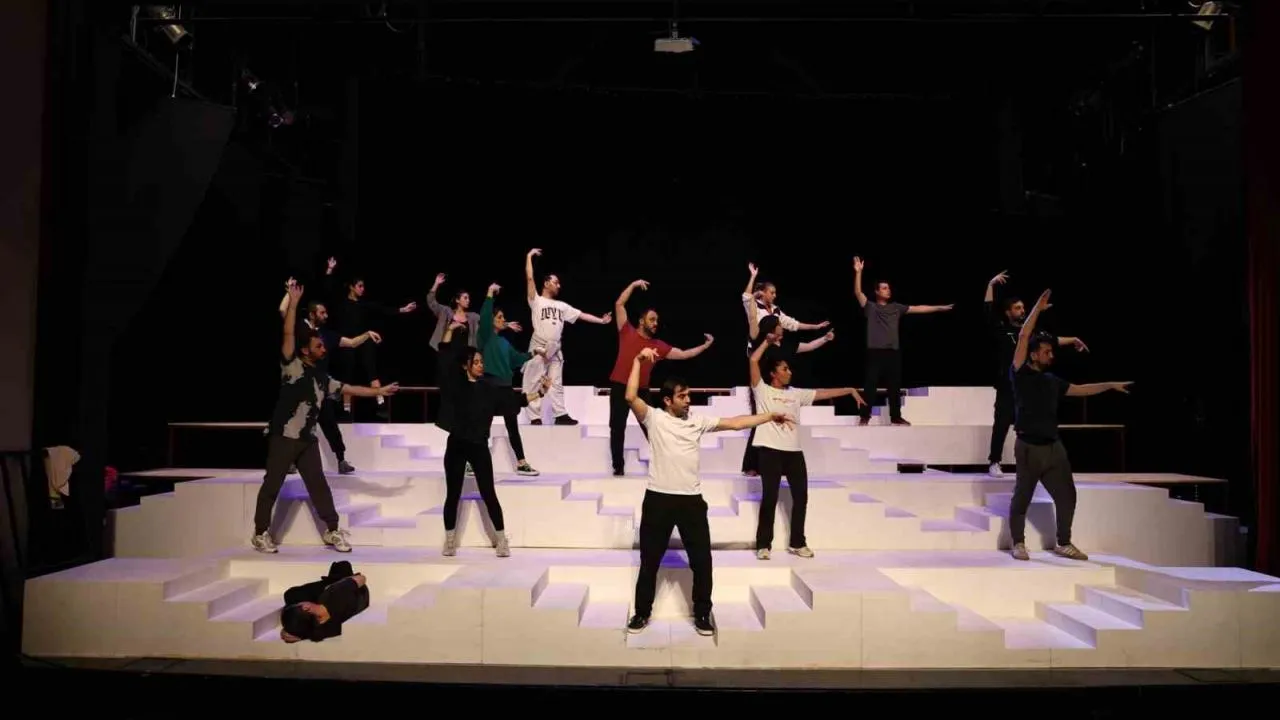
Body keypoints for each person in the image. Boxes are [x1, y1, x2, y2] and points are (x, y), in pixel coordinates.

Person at [624, 347, 794, 638]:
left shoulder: (697, 421)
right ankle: (642, 612)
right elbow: (630, 397)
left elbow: (736, 423)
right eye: (682, 396)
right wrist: (638, 360)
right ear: (667, 400)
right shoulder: (654, 418)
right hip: (658, 499)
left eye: (688, 395)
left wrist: (769, 416)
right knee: (649, 562)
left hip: (691, 502)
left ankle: (702, 613)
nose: (688, 400)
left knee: (702, 561)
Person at [253, 284, 399, 554]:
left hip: (306, 440)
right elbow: (288, 332)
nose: (323, 348)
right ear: (305, 350)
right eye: (318, 345)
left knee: (318, 485)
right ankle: (260, 533)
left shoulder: (322, 377)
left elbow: (349, 388)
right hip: (284, 436)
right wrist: (293, 303)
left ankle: (332, 530)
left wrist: (378, 391)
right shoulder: (291, 366)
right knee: (272, 485)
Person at [1008, 289, 1130, 562]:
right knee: (1022, 497)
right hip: (1029, 447)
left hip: (1054, 448)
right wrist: (1036, 308)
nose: (1051, 355)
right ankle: (1018, 543)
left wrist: (1109, 385)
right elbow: (1025, 336)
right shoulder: (1021, 374)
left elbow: (1081, 389)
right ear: (1033, 355)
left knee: (1067, 495)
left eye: (1052, 351)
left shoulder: (1053, 381)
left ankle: (1064, 542)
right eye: (1046, 352)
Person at [437, 318, 553, 557]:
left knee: (489, 493)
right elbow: (445, 354)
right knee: (453, 494)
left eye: (482, 362)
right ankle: (449, 541)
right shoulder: (456, 385)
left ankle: (501, 540)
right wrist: (449, 329)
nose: (481, 365)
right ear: (466, 366)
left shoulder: (488, 388)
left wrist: (540, 392)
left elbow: (515, 401)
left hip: (479, 447)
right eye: (476, 362)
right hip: (457, 445)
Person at [747, 339, 865, 560]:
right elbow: (753, 360)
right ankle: (764, 545)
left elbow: (823, 393)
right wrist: (766, 342)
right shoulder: (762, 391)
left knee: (801, 497)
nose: (789, 372)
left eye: (789, 369)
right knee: (770, 498)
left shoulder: (796, 394)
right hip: (769, 451)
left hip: (793, 452)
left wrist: (849, 390)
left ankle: (797, 543)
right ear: (773, 373)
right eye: (785, 369)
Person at [984, 270, 1089, 477]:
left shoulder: (1033, 332)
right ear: (1008, 312)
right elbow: (987, 310)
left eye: (1024, 307)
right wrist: (990, 285)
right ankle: (994, 461)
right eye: (1017, 308)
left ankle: (1035, 463)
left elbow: (1053, 340)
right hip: (1007, 384)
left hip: (1029, 385)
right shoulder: (1002, 329)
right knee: (1002, 423)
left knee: (1030, 424)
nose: (1022, 310)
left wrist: (1074, 340)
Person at [277, 277, 384, 475]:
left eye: (326, 312)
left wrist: (367, 334)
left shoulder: (327, 334)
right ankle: (289, 461)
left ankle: (341, 460)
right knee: (295, 425)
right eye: (322, 313)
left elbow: (351, 343)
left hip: (320, 386)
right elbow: (283, 311)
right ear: (312, 314)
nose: (325, 315)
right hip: (300, 385)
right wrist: (289, 293)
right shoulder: (300, 328)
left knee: (329, 424)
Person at [609, 279, 715, 476]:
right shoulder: (626, 331)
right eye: (652, 319)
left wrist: (705, 346)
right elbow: (619, 304)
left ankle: (665, 461)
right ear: (641, 321)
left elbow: (683, 354)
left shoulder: (658, 345)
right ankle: (618, 467)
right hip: (619, 385)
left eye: (656, 320)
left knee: (653, 427)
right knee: (617, 427)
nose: (655, 323)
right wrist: (633, 285)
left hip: (641, 390)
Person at [741, 282, 836, 476]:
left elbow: (805, 343)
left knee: (781, 424)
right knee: (759, 421)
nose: (781, 327)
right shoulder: (761, 341)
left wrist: (823, 337)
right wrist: (753, 281)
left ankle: (779, 465)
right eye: (779, 325)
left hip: (781, 390)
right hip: (763, 388)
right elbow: (750, 310)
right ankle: (752, 465)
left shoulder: (785, 343)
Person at [852, 256, 954, 426]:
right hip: (875, 352)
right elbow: (858, 293)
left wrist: (939, 307)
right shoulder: (871, 307)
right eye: (884, 288)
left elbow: (919, 308)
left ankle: (896, 416)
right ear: (877, 292)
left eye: (888, 288)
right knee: (870, 386)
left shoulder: (896, 308)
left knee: (894, 386)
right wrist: (858, 272)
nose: (888, 290)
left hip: (893, 353)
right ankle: (865, 416)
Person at [521, 248, 614, 425]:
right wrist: (529, 257)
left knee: (556, 383)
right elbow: (530, 278)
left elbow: (581, 315)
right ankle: (534, 417)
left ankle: (560, 414)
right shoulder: (536, 301)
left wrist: (601, 321)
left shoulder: (562, 306)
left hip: (555, 348)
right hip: (539, 346)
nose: (559, 286)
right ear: (546, 283)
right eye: (555, 282)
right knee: (533, 380)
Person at [327, 263, 418, 420]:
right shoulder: (342, 303)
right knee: (346, 376)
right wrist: (329, 270)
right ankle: (346, 410)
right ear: (351, 287)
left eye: (363, 286)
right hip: (348, 342)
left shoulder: (364, 304)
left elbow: (383, 309)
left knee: (372, 371)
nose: (362, 289)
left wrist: (402, 309)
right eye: (360, 286)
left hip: (364, 340)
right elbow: (329, 290)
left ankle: (381, 404)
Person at [477, 282, 542, 476]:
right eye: (499, 317)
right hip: (488, 386)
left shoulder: (503, 342)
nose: (503, 320)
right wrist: (490, 292)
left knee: (513, 427)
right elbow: (485, 316)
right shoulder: (485, 336)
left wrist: (534, 352)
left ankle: (521, 463)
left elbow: (517, 359)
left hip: (505, 388)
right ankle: (472, 463)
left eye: (503, 317)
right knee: (482, 427)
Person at [280, 561, 370, 643]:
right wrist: (341, 583)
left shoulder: (322, 631)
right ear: (306, 608)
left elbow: (309, 633)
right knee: (343, 565)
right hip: (359, 594)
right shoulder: (332, 594)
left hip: (357, 602)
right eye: (299, 604)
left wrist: (296, 633)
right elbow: (362, 578)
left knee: (291, 596)